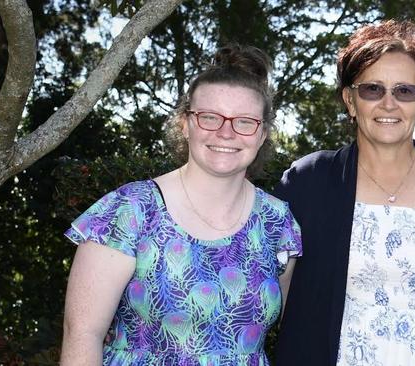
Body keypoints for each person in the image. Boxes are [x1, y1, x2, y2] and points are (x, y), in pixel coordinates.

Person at [60, 44, 302, 365]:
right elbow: (82, 335)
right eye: (209, 117)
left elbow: (293, 328)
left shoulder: (277, 222)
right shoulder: (130, 210)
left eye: (244, 122)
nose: (226, 132)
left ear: (262, 134)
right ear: (185, 124)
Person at [274, 20, 415, 366]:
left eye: (405, 91)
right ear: (350, 100)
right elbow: (271, 296)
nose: (389, 103)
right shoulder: (307, 181)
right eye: (372, 89)